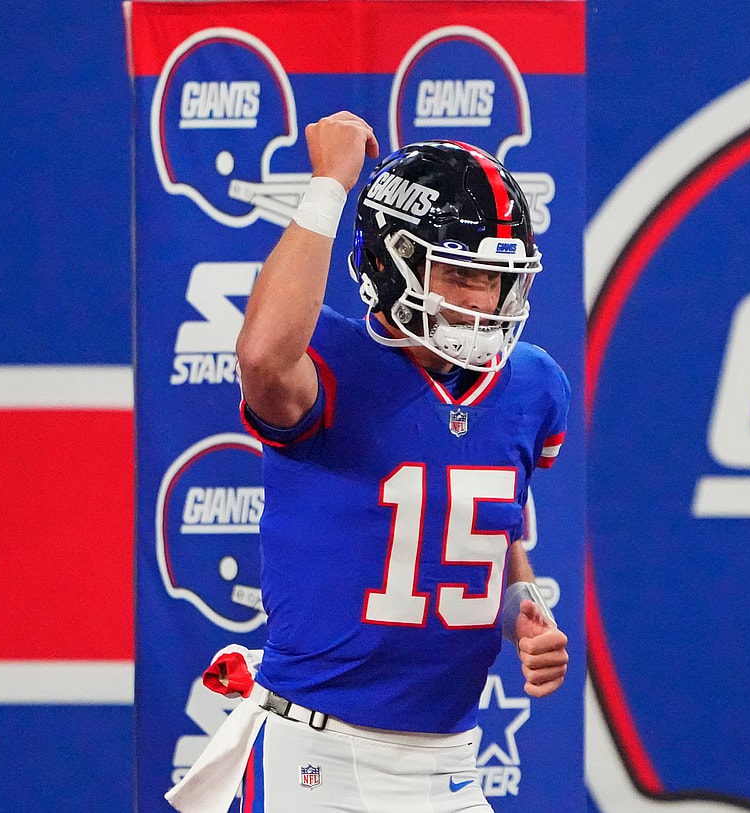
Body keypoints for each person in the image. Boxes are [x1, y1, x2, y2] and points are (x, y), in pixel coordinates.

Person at [166, 111, 570, 813]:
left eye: (493, 277)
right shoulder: (332, 361)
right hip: (317, 755)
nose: (479, 299)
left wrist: (521, 606)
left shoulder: (533, 385)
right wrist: (328, 185)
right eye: (458, 270)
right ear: (390, 261)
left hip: (449, 760)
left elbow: (487, 529)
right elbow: (262, 357)